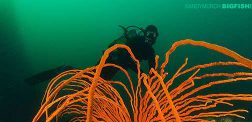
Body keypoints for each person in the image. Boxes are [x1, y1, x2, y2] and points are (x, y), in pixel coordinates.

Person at [24, 25, 159, 85]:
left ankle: (68, 70)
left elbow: (153, 68)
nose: (150, 38)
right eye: (149, 34)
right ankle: (66, 69)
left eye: (153, 36)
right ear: (144, 32)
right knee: (90, 79)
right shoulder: (136, 40)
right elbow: (128, 60)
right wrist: (141, 74)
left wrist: (152, 79)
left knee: (95, 83)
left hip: (118, 66)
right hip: (111, 60)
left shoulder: (150, 51)